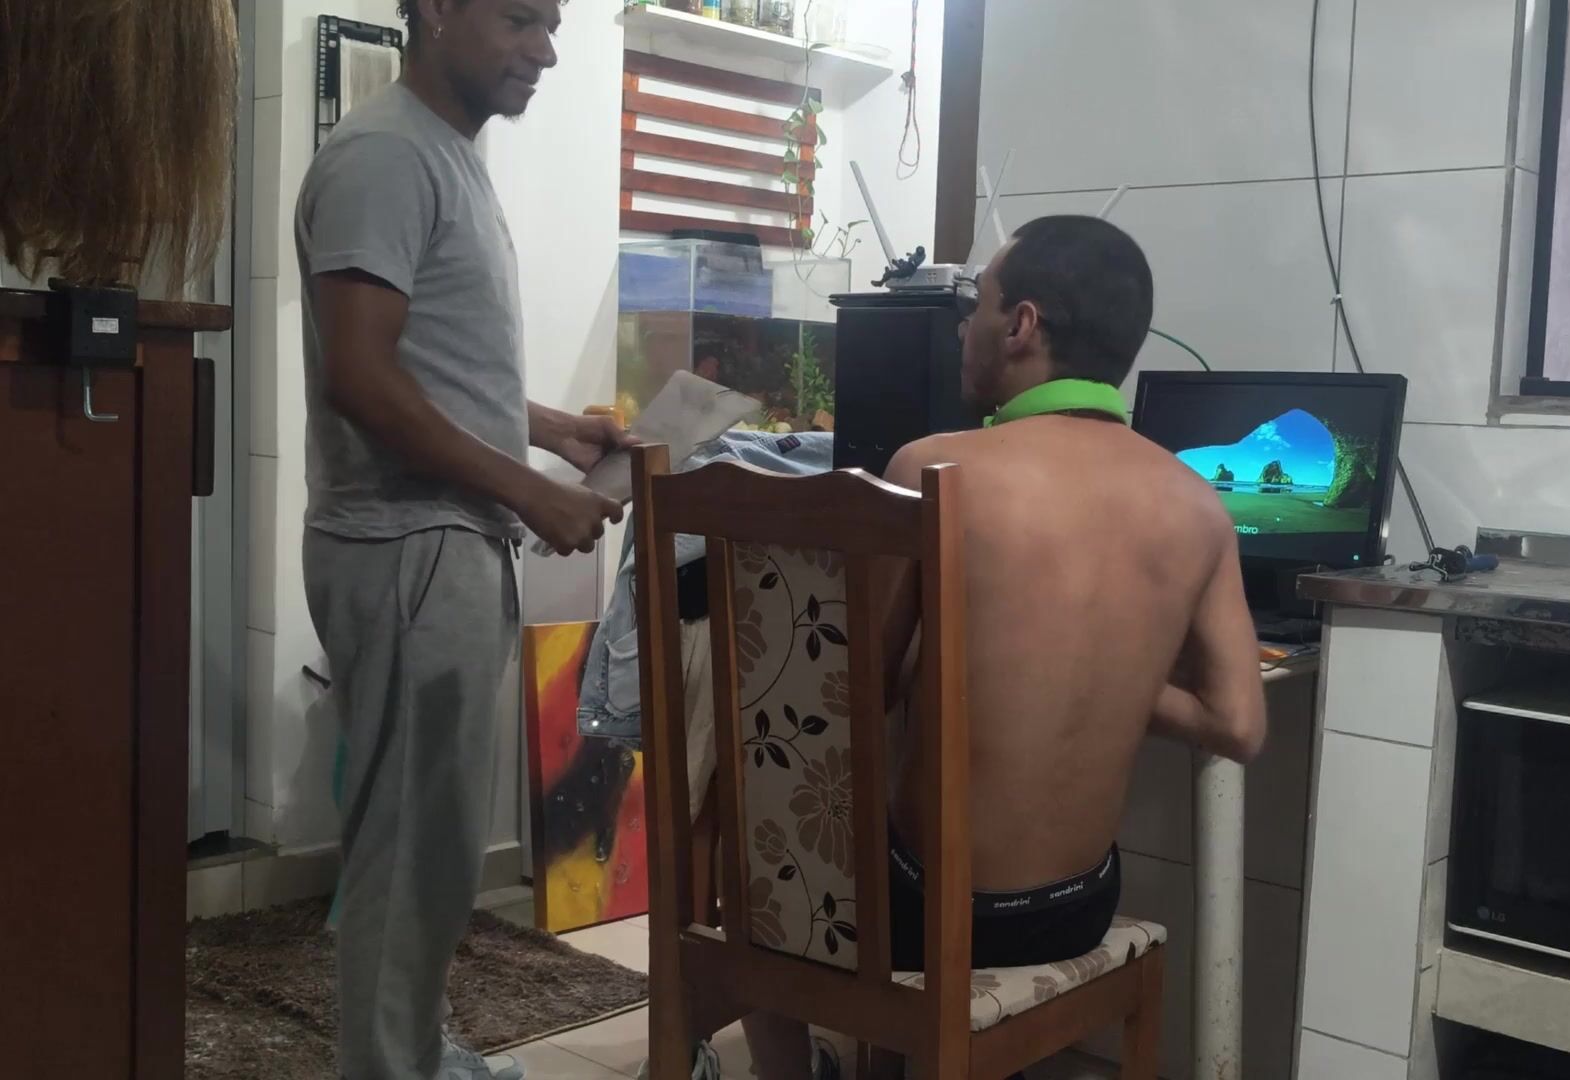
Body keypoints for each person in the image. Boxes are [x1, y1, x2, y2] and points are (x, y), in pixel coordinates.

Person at [742, 217, 1267, 1080]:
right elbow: (1238, 725)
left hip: (929, 911)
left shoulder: (933, 468)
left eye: (976, 307)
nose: (963, 329)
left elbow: (856, 692)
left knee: (750, 854)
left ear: (1022, 325)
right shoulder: (1198, 504)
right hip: (1078, 908)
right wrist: (1118, 667)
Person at [297, 2, 628, 1077]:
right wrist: (530, 494)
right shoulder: (386, 158)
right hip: (408, 545)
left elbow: (428, 363)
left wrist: (553, 432)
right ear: (436, 11)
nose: (546, 50)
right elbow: (360, 377)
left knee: (433, 848)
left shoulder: (444, 154)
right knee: (407, 851)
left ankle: (416, 1054)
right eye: (520, 19)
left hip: (439, 540)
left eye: (553, 24)